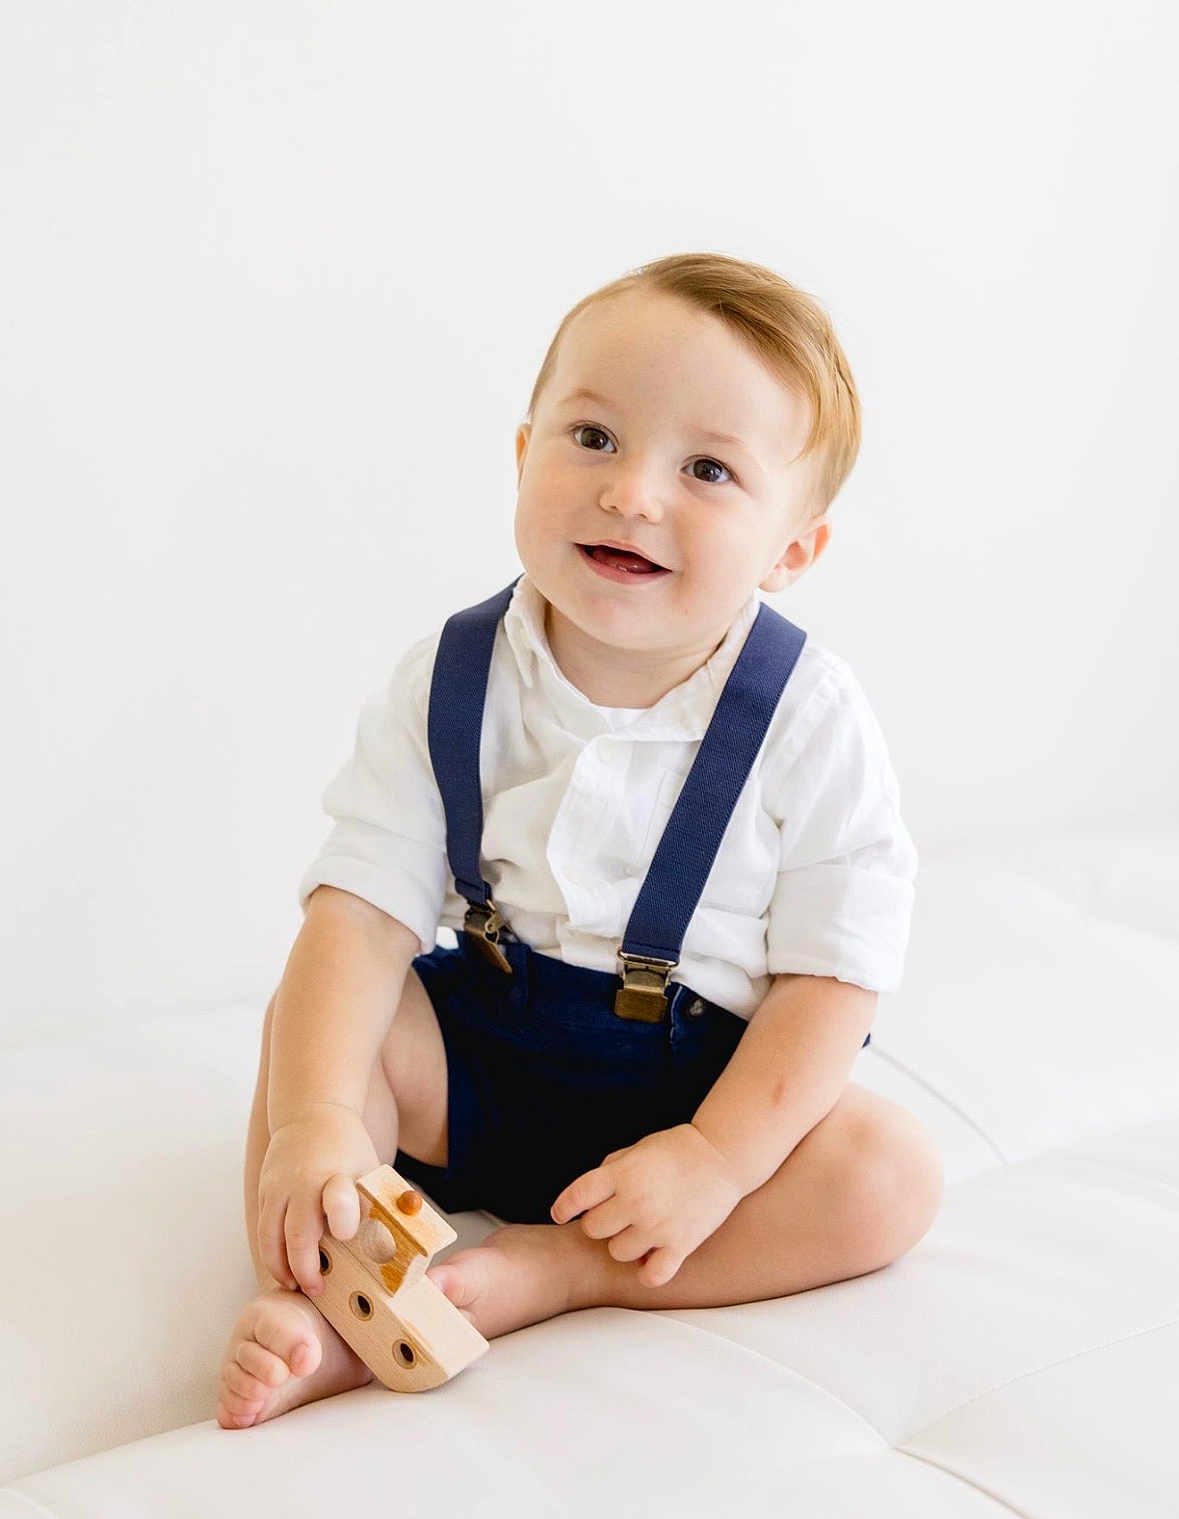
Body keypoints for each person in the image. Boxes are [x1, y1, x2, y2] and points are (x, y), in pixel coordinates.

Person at [216, 251, 944, 1430]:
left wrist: (715, 1158)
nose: (634, 494)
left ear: (792, 551)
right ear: (522, 454)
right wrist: (315, 1123)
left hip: (699, 1088)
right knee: (328, 1033)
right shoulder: (454, 674)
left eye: (707, 469)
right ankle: (332, 1301)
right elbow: (355, 915)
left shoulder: (810, 719)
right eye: (594, 439)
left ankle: (566, 1269)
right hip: (488, 1052)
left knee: (889, 1176)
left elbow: (832, 981)